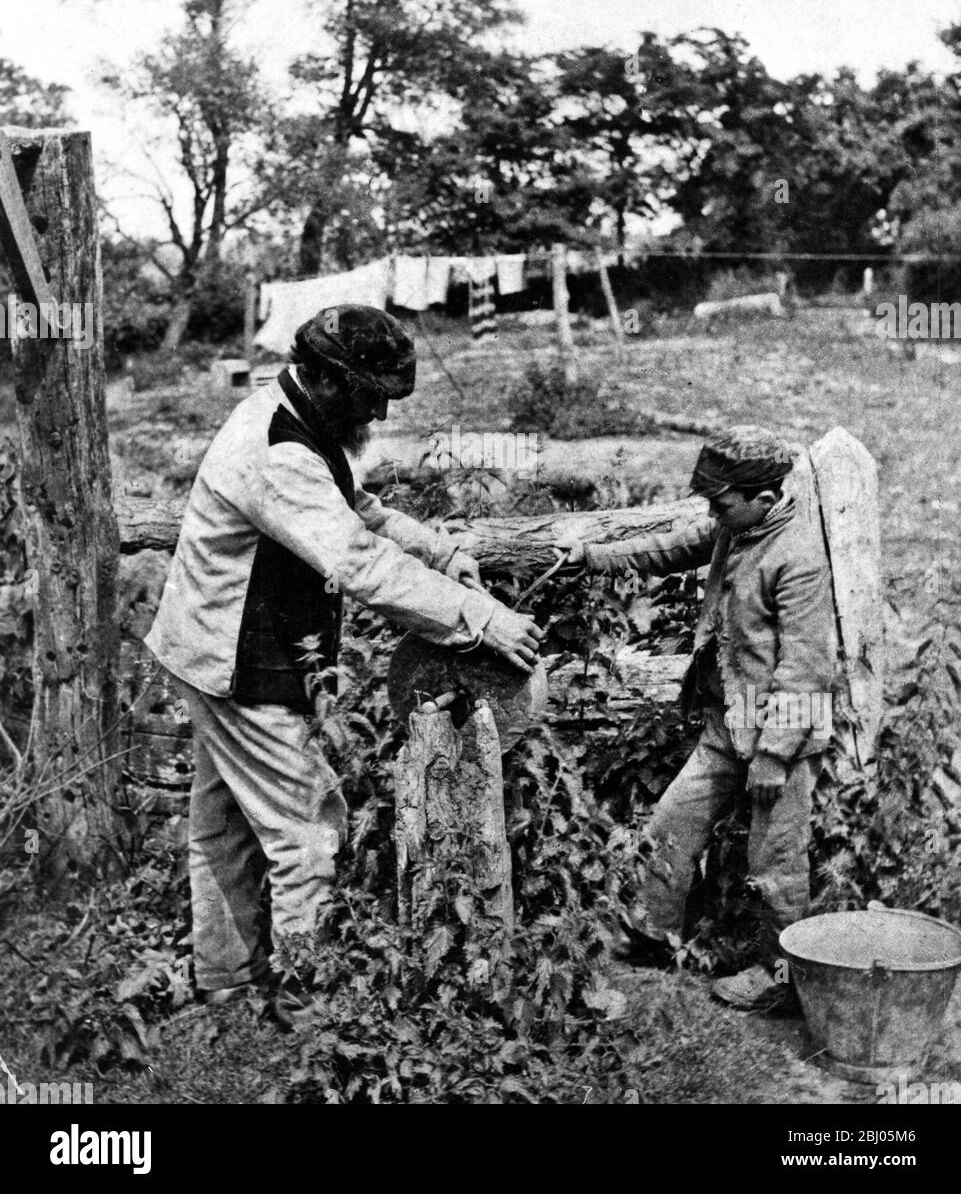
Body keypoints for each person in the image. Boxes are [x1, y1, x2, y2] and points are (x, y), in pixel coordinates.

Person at [145, 304, 541, 1026]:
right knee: (309, 829)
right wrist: (478, 616)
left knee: (225, 825)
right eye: (371, 393)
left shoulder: (298, 418)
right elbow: (358, 561)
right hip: (238, 661)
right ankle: (307, 1008)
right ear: (327, 379)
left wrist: (440, 550)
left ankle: (228, 981)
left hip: (215, 647)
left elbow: (359, 511)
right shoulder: (277, 450)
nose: (382, 411)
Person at [559, 425, 836, 1010]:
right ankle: (650, 934)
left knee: (775, 864)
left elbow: (806, 672)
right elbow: (671, 546)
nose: (712, 511)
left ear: (763, 498)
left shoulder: (798, 558)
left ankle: (781, 979)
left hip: (776, 741)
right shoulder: (736, 528)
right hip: (726, 725)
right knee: (670, 825)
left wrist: (773, 755)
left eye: (720, 501)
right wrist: (592, 555)